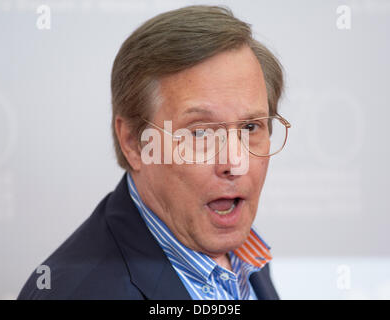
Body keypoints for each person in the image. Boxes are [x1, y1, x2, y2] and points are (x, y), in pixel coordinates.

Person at [18, 5, 290, 300]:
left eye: (250, 127)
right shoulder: (74, 292)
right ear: (134, 143)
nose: (235, 163)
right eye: (200, 133)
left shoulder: (243, 254)